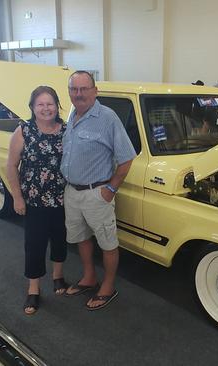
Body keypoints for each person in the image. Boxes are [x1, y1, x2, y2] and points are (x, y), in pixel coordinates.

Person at [62, 71, 136, 310]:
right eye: (74, 89)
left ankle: (108, 285)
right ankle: (89, 277)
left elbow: (126, 158)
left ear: (95, 91)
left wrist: (110, 189)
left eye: (84, 89)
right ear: (70, 91)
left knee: (107, 242)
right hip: (73, 192)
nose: (79, 94)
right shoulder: (73, 114)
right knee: (81, 238)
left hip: (97, 193)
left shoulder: (107, 118)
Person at [6, 86, 68, 315]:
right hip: (33, 201)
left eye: (50, 103)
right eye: (40, 104)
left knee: (61, 240)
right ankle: (33, 290)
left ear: (57, 106)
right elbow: (11, 165)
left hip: (63, 199)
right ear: (32, 107)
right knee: (35, 245)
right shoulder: (24, 131)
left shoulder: (66, 131)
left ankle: (58, 277)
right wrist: (17, 197)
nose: (46, 108)